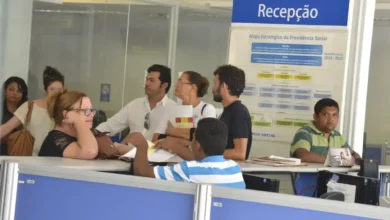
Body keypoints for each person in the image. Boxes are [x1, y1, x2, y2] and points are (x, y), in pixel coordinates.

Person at [133, 118, 245, 189]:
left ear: (198, 144)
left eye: (193, 140)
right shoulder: (234, 168)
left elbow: (142, 172)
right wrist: (174, 145)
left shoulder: (189, 169)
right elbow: (202, 164)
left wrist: (142, 144)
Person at [96, 64, 176, 142]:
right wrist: (93, 133)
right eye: (146, 79)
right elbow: (112, 124)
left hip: (156, 154)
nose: (147, 83)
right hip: (128, 153)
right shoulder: (135, 104)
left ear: (164, 85)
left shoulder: (173, 109)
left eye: (152, 80)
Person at [0, 66, 64, 155]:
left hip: (55, 160)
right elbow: (7, 127)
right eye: (52, 89)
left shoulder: (65, 110)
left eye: (60, 90)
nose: (56, 93)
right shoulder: (30, 106)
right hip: (31, 159)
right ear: (45, 89)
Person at [153, 71, 216, 155]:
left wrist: (172, 132)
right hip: (169, 160)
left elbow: (205, 141)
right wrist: (189, 135)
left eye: (180, 82)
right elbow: (156, 138)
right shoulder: (172, 108)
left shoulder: (207, 109)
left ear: (192, 87)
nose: (175, 85)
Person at [291, 98, 361, 164]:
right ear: (315, 117)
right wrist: (336, 160)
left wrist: (358, 159)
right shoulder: (305, 132)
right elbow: (304, 156)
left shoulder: (337, 136)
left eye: (334, 115)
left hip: (332, 176)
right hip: (308, 176)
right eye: (325, 115)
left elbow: (352, 154)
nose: (331, 119)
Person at [39, 90, 98, 159]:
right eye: (85, 110)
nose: (91, 115)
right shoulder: (56, 139)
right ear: (66, 115)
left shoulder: (75, 136)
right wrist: (78, 120)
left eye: (91, 110)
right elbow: (90, 152)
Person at [212, 65, 252, 161]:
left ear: (224, 86)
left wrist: (208, 153)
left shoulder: (238, 112)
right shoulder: (228, 111)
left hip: (229, 173)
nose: (213, 88)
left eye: (215, 83)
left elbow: (240, 153)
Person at [0, 77, 28, 155]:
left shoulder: (26, 110)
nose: (15, 93)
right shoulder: (1, 110)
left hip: (20, 151)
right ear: (5, 91)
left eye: (19, 91)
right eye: (11, 89)